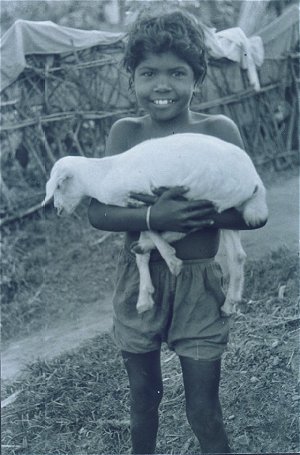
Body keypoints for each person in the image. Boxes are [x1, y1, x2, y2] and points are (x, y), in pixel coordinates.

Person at [88, 10, 267, 454]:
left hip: (201, 284)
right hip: (140, 283)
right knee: (143, 401)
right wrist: (153, 219)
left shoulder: (217, 131)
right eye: (148, 73)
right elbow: (99, 212)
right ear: (132, 78)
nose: (162, 85)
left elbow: (252, 209)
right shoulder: (125, 134)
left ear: (197, 78)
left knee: (204, 410)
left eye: (177, 73)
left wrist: (193, 216)